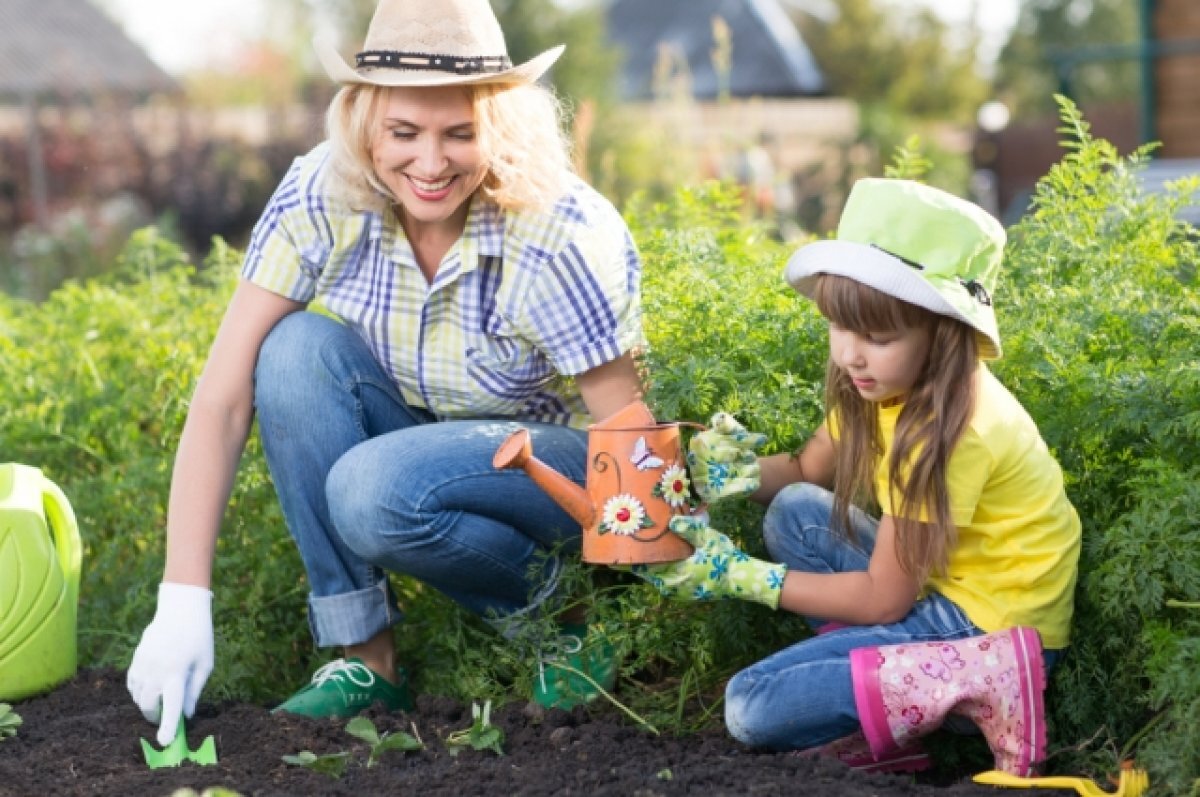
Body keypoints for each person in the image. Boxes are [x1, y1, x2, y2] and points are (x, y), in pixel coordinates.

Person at [126, 0, 645, 747]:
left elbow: (628, 438)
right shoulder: (323, 193)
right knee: (293, 349)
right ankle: (366, 656)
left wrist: (651, 590)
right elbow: (223, 394)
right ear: (366, 121)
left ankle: (564, 619)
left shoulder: (553, 233)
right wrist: (181, 596)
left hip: (557, 479)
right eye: (404, 133)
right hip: (420, 447)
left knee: (371, 492)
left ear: (498, 126)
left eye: (459, 134)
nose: (430, 164)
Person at [627, 178, 1081, 777]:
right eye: (839, 326)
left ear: (943, 335)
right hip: (949, 586)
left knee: (748, 706)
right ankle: (897, 708)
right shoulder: (880, 386)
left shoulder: (948, 431)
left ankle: (974, 684)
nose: (850, 355)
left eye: (878, 337)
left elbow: (881, 596)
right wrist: (723, 473)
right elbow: (807, 470)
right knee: (792, 508)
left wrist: (739, 577)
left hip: (995, 627)